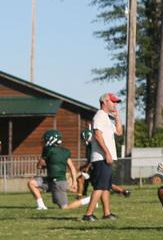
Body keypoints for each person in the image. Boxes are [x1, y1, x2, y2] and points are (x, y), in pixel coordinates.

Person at [82, 92, 124, 222]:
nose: (115, 104)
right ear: (104, 102)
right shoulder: (99, 116)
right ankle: (88, 214)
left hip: (106, 157)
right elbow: (97, 135)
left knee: (106, 186)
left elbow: (119, 132)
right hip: (101, 157)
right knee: (100, 186)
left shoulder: (106, 117)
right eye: (113, 101)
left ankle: (107, 213)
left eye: (116, 102)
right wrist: (107, 153)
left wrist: (117, 118)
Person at [28, 130, 89, 211]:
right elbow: (72, 167)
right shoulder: (65, 151)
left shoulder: (47, 149)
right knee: (32, 183)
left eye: (45, 139)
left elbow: (39, 166)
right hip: (54, 181)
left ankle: (89, 200)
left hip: (57, 183)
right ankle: (41, 206)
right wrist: (74, 182)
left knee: (65, 207)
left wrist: (42, 163)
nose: (44, 141)